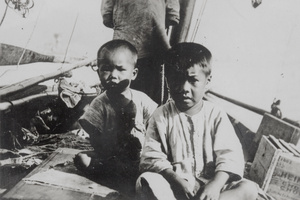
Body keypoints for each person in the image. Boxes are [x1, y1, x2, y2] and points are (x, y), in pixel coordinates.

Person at [136, 43, 258, 200]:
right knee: (146, 181)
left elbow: (230, 155)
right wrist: (175, 179)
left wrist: (215, 185)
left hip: (212, 191)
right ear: (167, 81)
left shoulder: (216, 114)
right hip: (176, 188)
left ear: (207, 82)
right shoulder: (161, 115)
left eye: (193, 80)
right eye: (177, 79)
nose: (184, 87)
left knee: (248, 189)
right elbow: (152, 156)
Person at [73, 40, 157, 191]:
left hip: (139, 158)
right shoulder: (100, 104)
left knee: (153, 166)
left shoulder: (142, 99)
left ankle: (122, 177)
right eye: (106, 69)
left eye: (120, 69)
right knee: (82, 159)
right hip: (111, 157)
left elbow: (156, 126)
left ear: (134, 73)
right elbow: (95, 139)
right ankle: (117, 177)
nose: (113, 75)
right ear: (98, 71)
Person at [100, 0, 180, 104]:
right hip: (153, 38)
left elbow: (107, 16)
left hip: (125, 38)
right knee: (151, 92)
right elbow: (173, 16)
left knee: (119, 85)